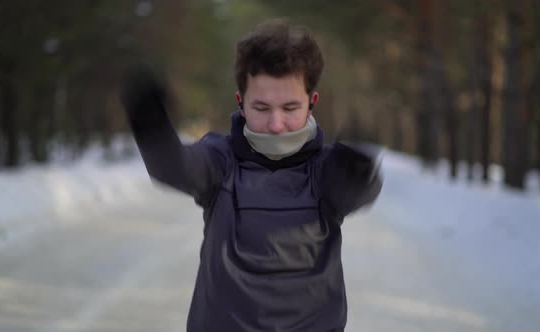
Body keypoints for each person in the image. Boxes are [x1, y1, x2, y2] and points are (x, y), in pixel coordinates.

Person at [121, 19, 382, 332]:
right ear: (240, 103)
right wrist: (151, 125)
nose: (275, 124)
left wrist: (359, 174)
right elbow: (172, 167)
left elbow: (356, 193)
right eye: (261, 107)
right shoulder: (221, 160)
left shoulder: (325, 170)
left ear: (312, 103)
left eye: (289, 108)